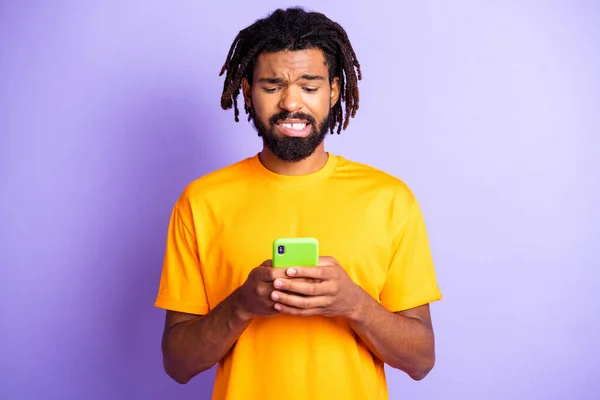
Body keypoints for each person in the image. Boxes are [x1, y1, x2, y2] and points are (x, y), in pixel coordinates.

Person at [154, 7, 442, 400]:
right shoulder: (201, 201)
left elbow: (421, 360)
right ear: (247, 91)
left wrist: (353, 303)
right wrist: (242, 304)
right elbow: (178, 365)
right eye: (272, 85)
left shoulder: (388, 199)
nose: (291, 103)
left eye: (309, 86)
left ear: (334, 91)